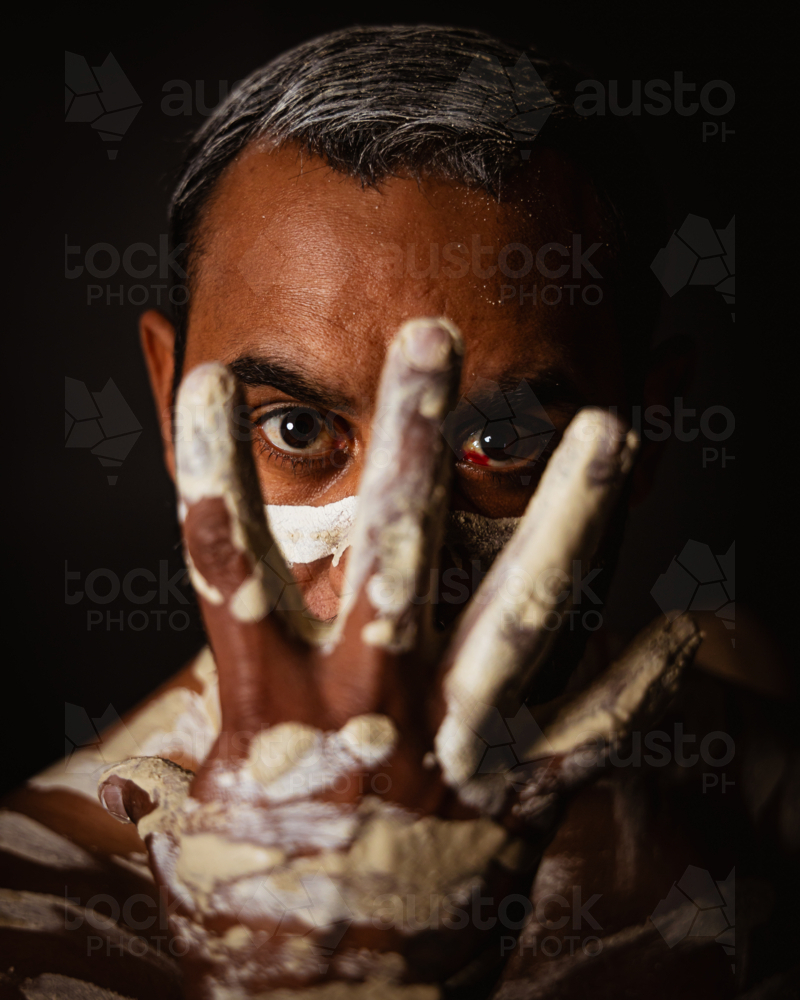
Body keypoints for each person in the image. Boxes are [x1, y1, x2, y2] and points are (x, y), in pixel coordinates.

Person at [1, 26, 795, 1000]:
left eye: (498, 446)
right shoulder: (36, 921)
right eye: (295, 428)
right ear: (172, 405)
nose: (393, 582)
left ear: (646, 425)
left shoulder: (749, 740)